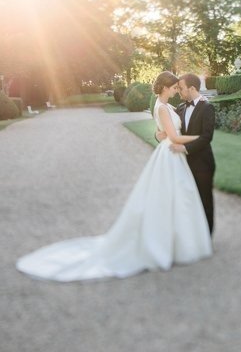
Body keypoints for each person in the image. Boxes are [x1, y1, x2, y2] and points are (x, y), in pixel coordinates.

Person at [16, 71, 212, 281]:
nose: (176, 90)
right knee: (169, 198)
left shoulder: (169, 106)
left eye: (178, 88)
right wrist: (200, 137)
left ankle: (177, 241)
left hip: (172, 154)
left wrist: (161, 134)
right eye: (174, 87)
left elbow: (163, 131)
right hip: (171, 154)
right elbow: (172, 136)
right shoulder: (163, 107)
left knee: (176, 198)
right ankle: (168, 244)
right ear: (165, 87)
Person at [155, 73, 216, 235]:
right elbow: (168, 129)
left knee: (204, 202)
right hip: (182, 163)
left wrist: (185, 148)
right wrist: (158, 135)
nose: (179, 92)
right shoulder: (180, 108)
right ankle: (190, 236)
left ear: (192, 88)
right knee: (186, 202)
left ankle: (206, 238)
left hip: (202, 164)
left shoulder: (207, 107)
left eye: (181, 88)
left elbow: (207, 137)